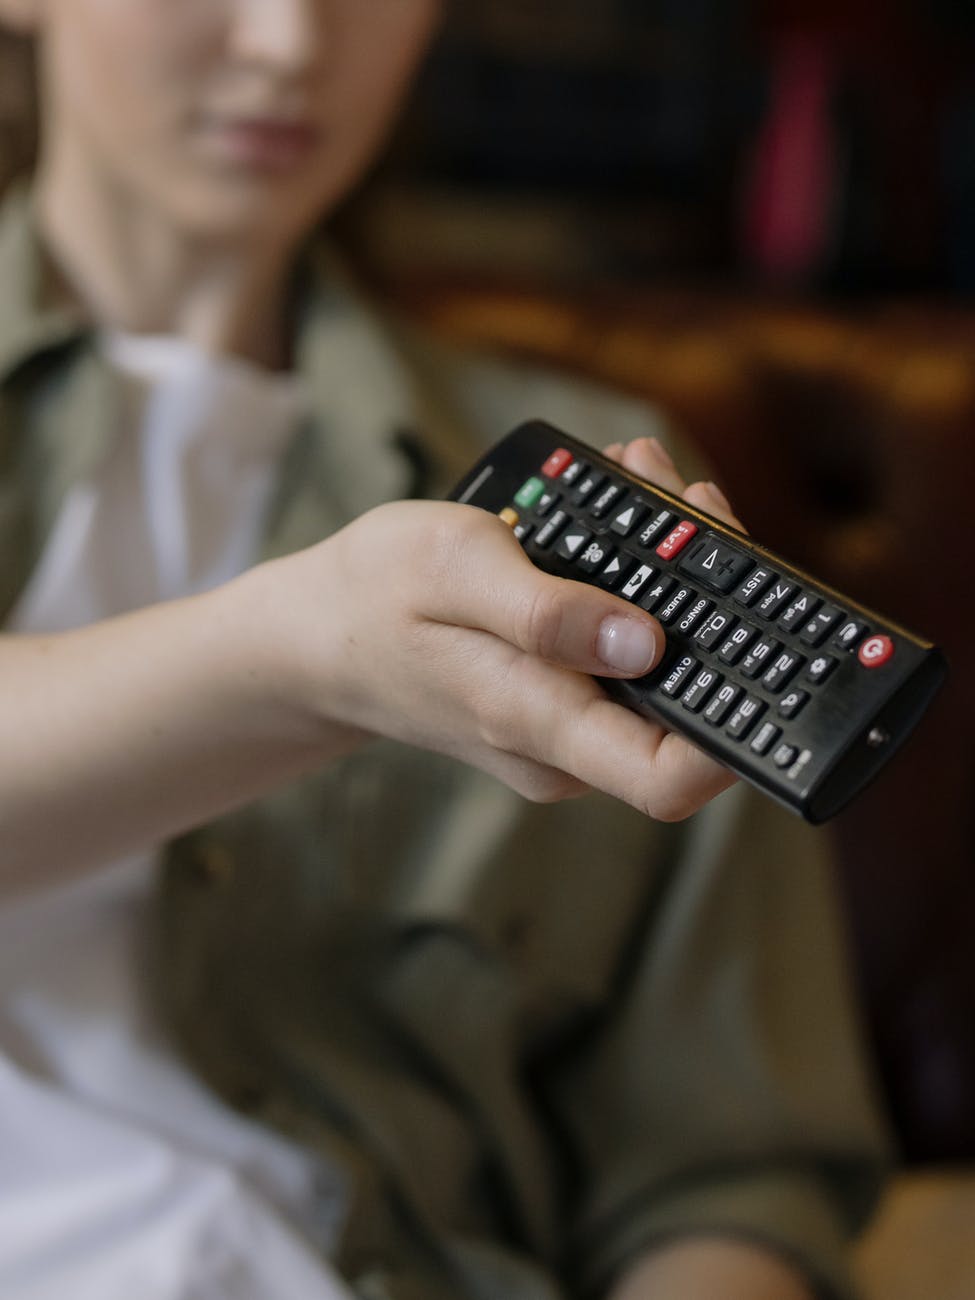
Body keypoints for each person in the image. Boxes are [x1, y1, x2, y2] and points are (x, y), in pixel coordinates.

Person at [0, 3, 890, 1299]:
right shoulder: (380, 590)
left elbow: (723, 1177)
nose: (291, 43)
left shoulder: (598, 484)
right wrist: (291, 663)